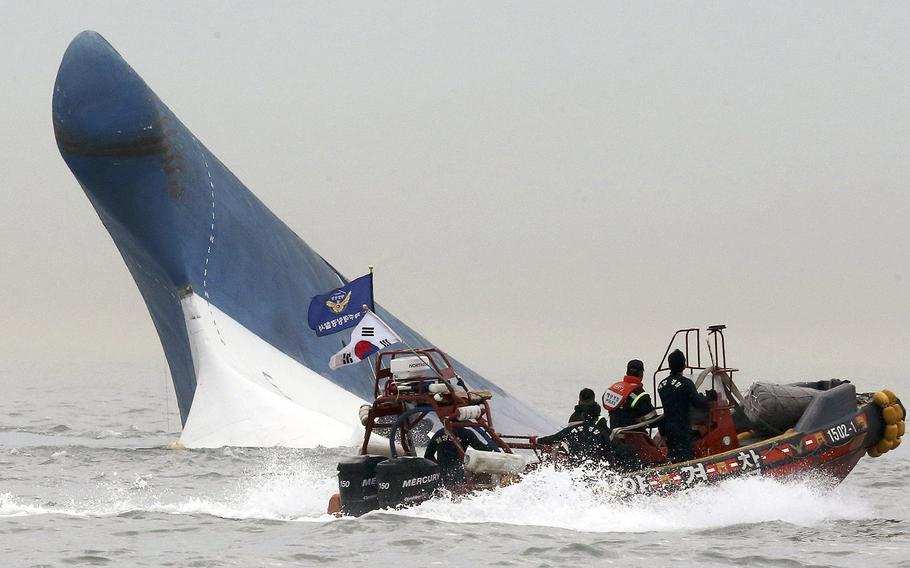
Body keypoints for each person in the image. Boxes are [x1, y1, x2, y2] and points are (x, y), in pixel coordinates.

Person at [657, 349, 712, 463]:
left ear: (669, 365)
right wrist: (710, 398)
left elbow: (674, 399)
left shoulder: (661, 385)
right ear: (684, 365)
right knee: (686, 456)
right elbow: (698, 404)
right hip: (681, 427)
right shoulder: (686, 383)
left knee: (673, 454)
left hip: (666, 426)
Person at [534, 402, 613, 468]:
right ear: (597, 417)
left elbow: (553, 438)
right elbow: (609, 454)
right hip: (593, 470)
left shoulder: (571, 430)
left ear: (583, 415)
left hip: (574, 469)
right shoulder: (602, 433)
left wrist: (537, 440)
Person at [602, 359, 658, 429]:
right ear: (641, 373)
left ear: (627, 372)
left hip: (615, 434)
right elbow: (653, 421)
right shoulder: (640, 395)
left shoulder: (613, 388)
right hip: (634, 435)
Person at [424, 426, 492, 483]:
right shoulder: (466, 433)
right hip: (457, 474)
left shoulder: (439, 433)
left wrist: (438, 468)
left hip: (440, 475)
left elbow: (428, 455)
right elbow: (485, 449)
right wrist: (493, 440)